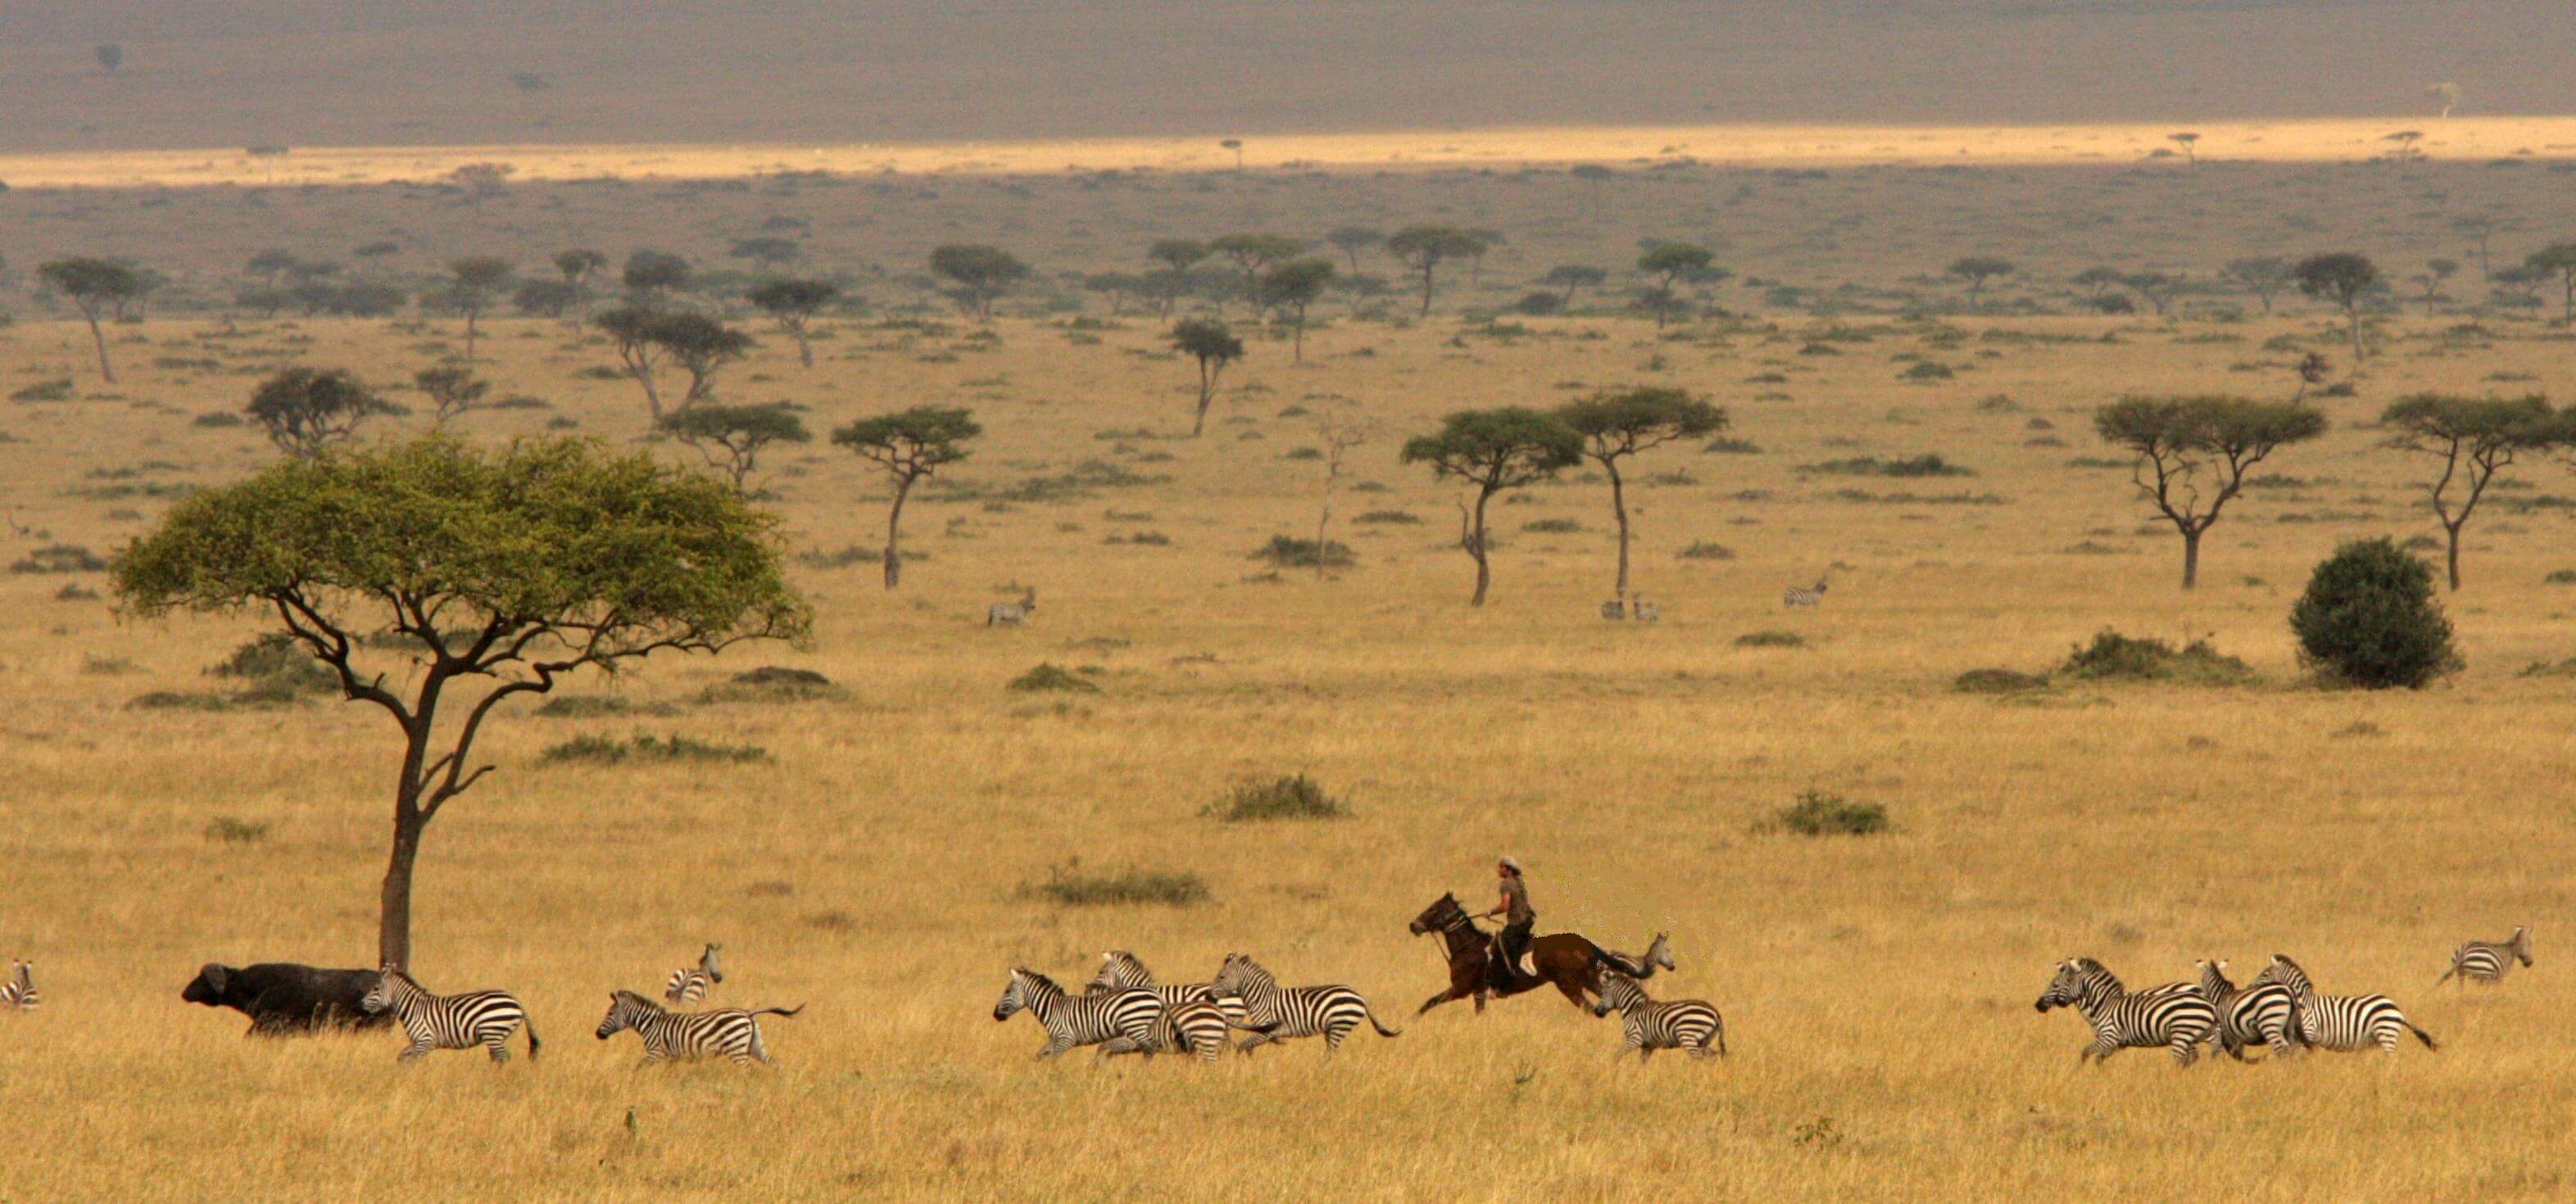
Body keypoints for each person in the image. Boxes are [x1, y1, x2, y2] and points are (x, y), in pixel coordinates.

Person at [1483, 856, 1535, 989]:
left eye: (1501, 867)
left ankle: (1509, 976)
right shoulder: (1519, 881)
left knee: (1500, 946)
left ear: (1508, 869)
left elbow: (1505, 906)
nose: (1498, 870)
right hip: (1528, 920)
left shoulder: (1506, 884)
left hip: (1517, 922)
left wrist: (1490, 913)